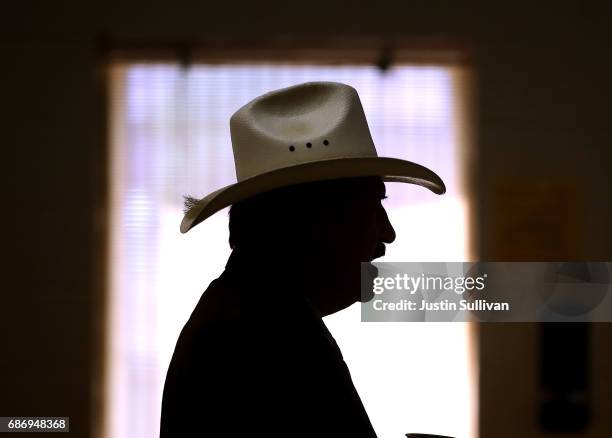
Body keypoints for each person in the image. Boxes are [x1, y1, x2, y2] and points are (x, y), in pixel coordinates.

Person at [159, 81, 446, 437]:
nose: (387, 233)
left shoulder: (253, 315)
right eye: (374, 206)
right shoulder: (267, 337)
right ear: (313, 221)